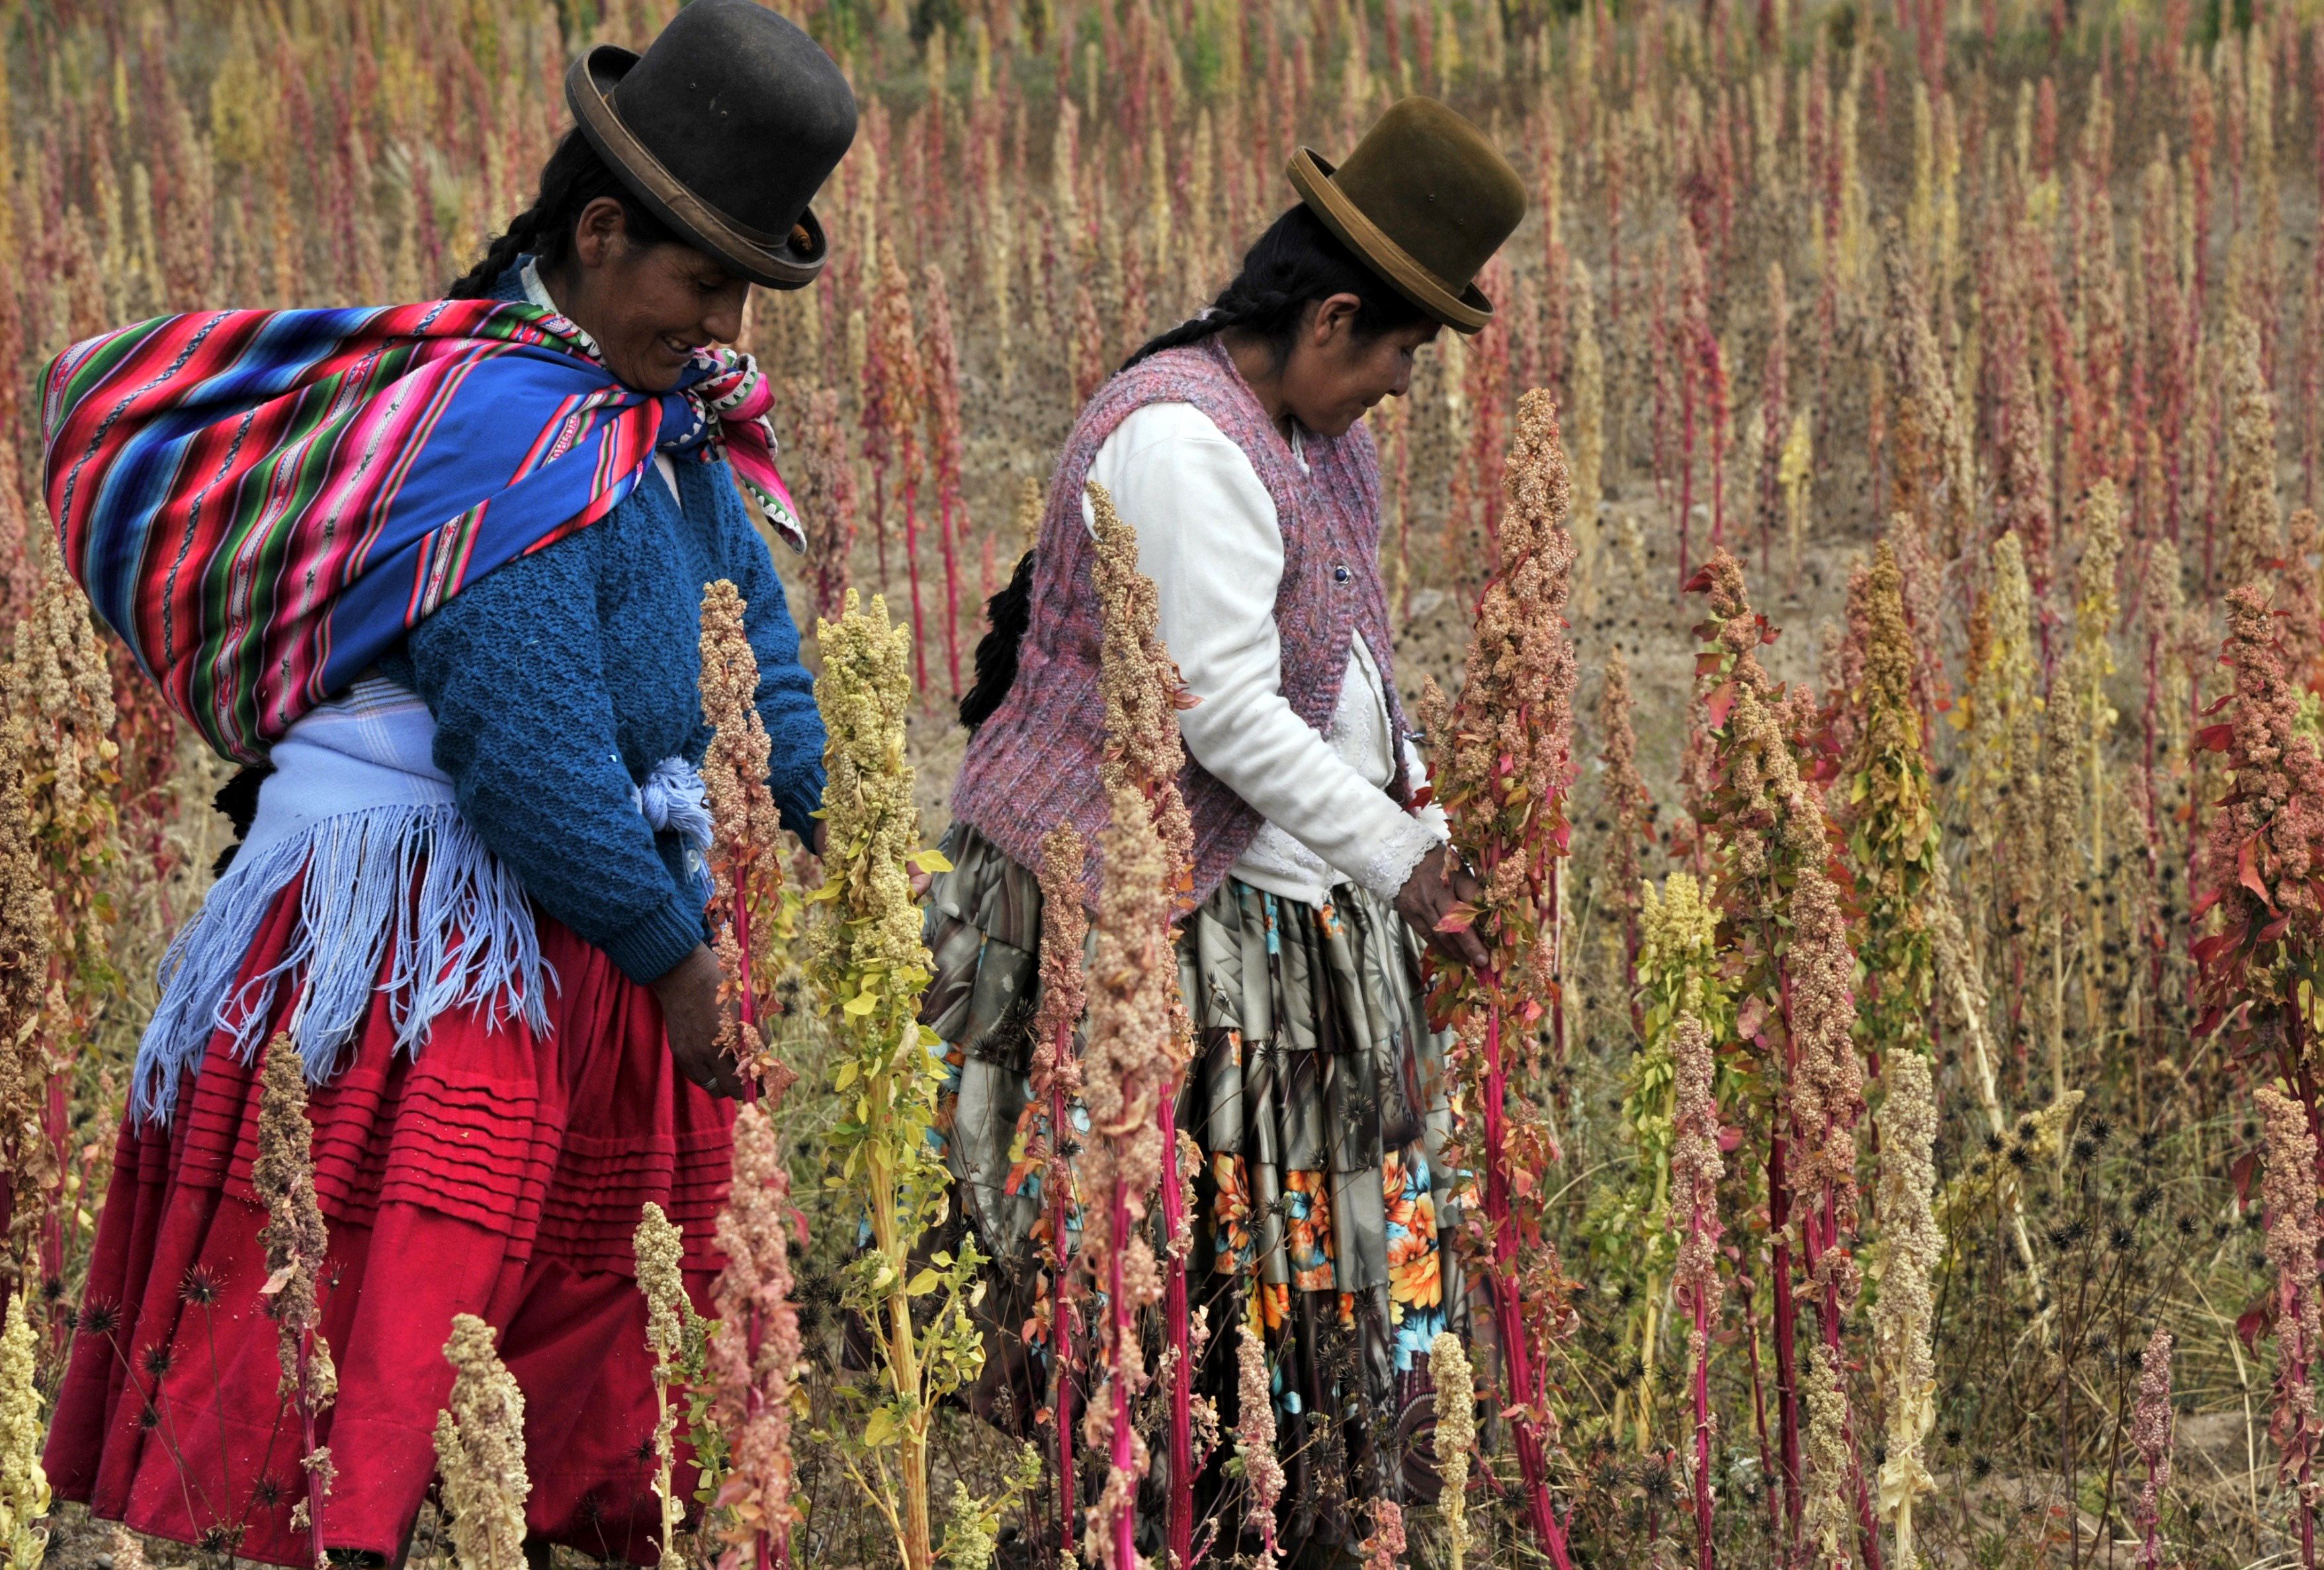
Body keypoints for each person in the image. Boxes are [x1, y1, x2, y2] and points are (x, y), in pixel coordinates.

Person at [38, 3, 852, 1563]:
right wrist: (679, 956)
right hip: (433, 945)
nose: (726, 330)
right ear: (600, 232)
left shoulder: (663, 430)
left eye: (745, 291)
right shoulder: (508, 428)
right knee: (380, 1363)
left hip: (591, 924)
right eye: (705, 283)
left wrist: (841, 833)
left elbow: (751, 659)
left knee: (575, 1387)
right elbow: (525, 751)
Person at [929, 97, 1526, 1564]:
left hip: (1272, 893)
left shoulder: (1310, 436)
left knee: (1293, 1286)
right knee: (1174, 1270)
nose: (1400, 385)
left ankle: (1280, 1496)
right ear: (1330, 317)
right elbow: (1225, 719)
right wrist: (1402, 862)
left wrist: (1420, 804)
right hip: (1151, 902)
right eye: (1399, 351)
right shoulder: (1184, 446)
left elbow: (1351, 670)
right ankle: (1158, 1504)